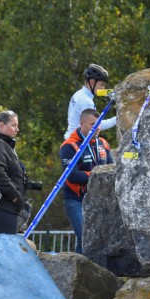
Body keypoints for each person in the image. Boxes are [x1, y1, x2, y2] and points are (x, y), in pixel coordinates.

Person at [60, 108, 114, 254]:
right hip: (76, 199)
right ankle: (80, 271)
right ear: (82, 123)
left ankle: (83, 269)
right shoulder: (69, 146)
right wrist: (97, 175)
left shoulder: (103, 143)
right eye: (92, 124)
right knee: (85, 237)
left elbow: (112, 169)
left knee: (96, 239)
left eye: (98, 124)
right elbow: (72, 175)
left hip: (98, 199)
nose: (97, 128)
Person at [64, 63, 117, 139]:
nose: (103, 88)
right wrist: (117, 119)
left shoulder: (78, 94)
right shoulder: (87, 102)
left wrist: (113, 93)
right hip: (78, 142)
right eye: (101, 85)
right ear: (92, 82)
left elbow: (103, 92)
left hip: (70, 139)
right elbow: (97, 125)